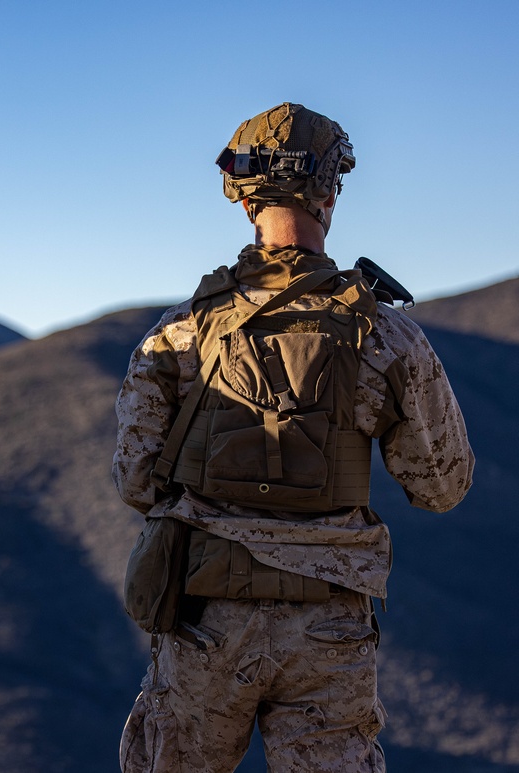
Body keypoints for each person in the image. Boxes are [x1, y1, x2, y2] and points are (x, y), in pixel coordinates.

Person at [113, 103, 474, 772]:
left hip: (204, 620)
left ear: (241, 194)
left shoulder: (179, 334)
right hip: (328, 629)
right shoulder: (386, 336)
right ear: (330, 189)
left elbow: (135, 479)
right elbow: (441, 485)